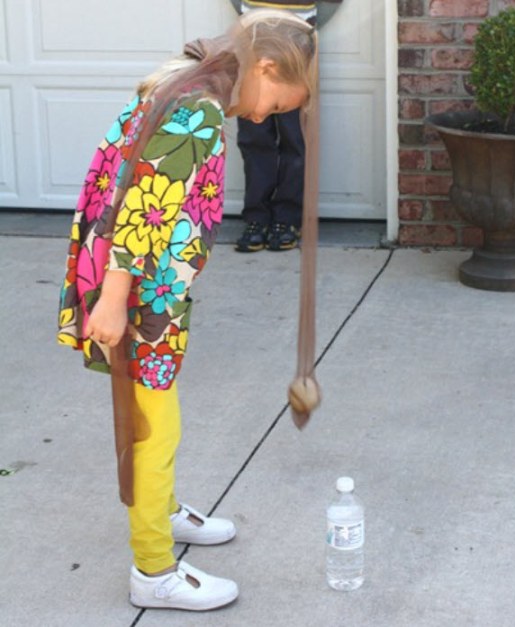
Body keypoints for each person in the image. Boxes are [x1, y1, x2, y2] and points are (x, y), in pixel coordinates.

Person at [57, 9, 317, 612]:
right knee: (153, 426)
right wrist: (116, 300)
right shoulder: (199, 112)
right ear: (267, 66)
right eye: (278, 101)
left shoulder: (184, 75)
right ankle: (153, 569)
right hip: (141, 289)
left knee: (150, 414)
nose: (264, 115)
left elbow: (124, 175)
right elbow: (145, 204)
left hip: (138, 279)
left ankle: (163, 510)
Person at [234, 1, 317, 252]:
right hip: (254, 40)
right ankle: (256, 216)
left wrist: (306, 24)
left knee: (295, 136)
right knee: (254, 135)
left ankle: (288, 217)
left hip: (298, 42)